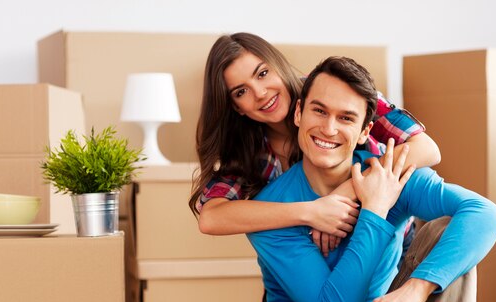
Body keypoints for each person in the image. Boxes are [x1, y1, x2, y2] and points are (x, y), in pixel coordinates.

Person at [204, 56, 496, 302]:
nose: (329, 129)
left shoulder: (390, 175)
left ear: (367, 130)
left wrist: (414, 290)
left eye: (346, 118)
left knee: (447, 230)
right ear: (299, 114)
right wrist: (373, 212)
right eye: (319, 112)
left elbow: (486, 215)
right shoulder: (272, 207)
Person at [188, 32, 441, 256]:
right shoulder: (248, 152)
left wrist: (346, 192)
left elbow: (426, 148)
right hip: (315, 270)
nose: (261, 93)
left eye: (263, 74)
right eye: (241, 91)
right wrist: (312, 212)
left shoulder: (334, 88)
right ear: (236, 107)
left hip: (392, 246)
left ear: (278, 65)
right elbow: (211, 218)